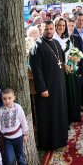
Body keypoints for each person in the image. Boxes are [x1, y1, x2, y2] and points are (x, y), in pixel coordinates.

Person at [29, 20, 68, 150]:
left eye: (51, 29)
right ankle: (49, 143)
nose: (49, 31)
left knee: (59, 112)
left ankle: (61, 139)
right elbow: (36, 70)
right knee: (49, 114)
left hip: (59, 85)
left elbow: (59, 61)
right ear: (42, 29)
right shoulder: (37, 46)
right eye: (47, 29)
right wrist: (42, 88)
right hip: (47, 87)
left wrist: (65, 66)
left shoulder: (56, 43)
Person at [0, 88, 30, 165]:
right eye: (4, 99)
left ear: (14, 98)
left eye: (9, 98)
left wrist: (25, 134)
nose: (7, 101)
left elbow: (23, 121)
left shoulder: (18, 108)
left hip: (18, 137)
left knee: (20, 157)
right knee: (9, 160)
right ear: (2, 99)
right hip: (7, 139)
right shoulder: (1, 111)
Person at [65, 18, 83, 121]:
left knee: (76, 92)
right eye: (69, 25)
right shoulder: (62, 39)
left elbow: (81, 55)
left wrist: (80, 70)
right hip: (66, 71)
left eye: (72, 26)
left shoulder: (76, 38)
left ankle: (76, 114)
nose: (70, 28)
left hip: (75, 70)